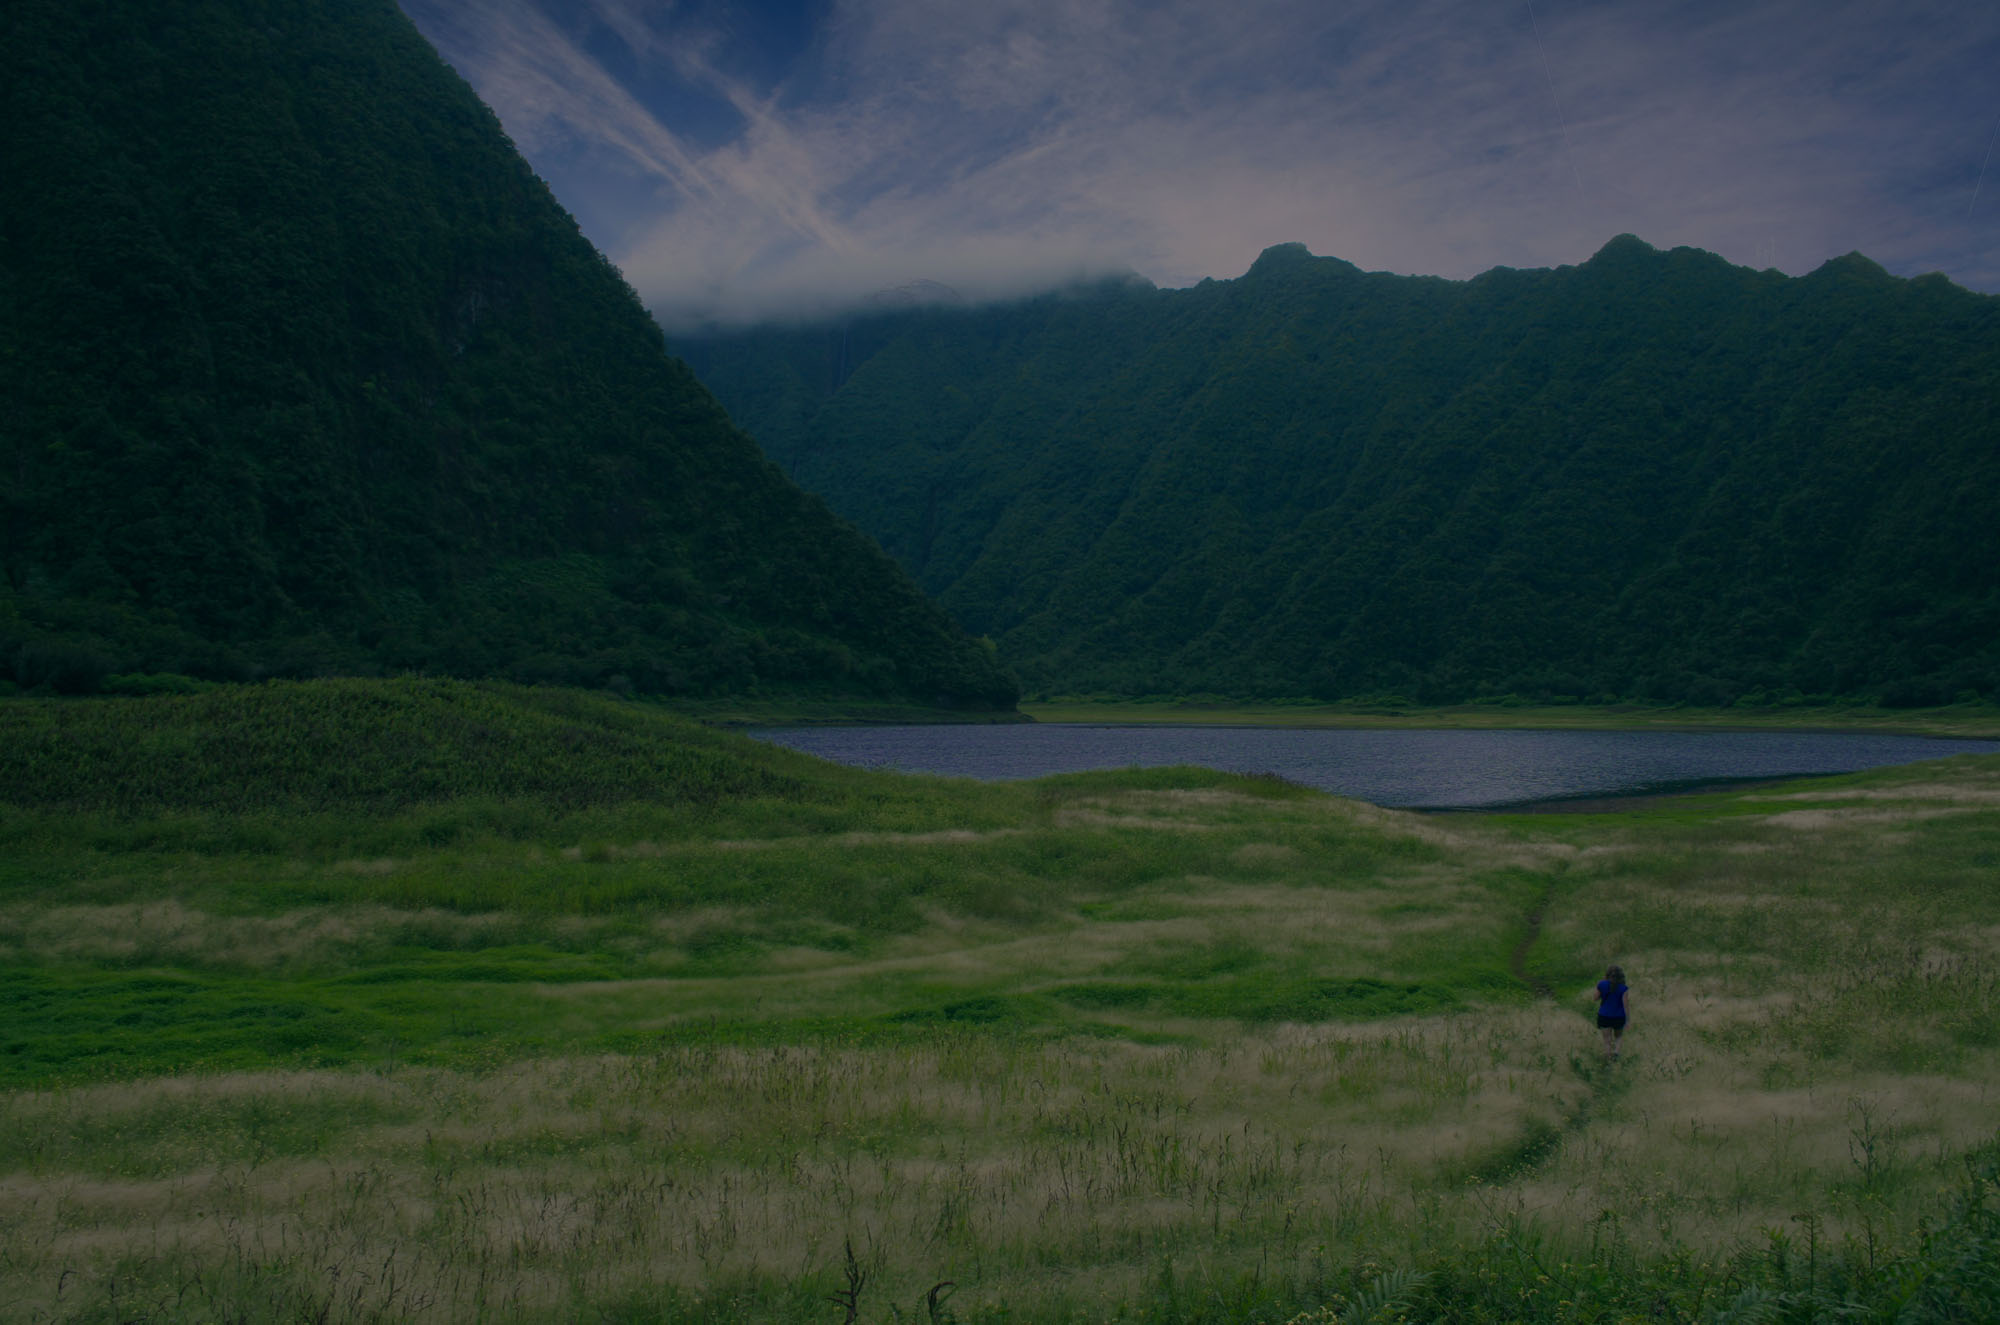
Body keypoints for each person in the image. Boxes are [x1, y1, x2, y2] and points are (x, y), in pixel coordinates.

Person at [1595, 965, 1629, 1061]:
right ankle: (1616, 1052)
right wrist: (1627, 1020)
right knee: (1618, 1037)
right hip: (1619, 1016)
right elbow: (1625, 1005)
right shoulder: (1624, 988)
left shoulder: (1601, 984)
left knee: (1607, 1040)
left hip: (1604, 1015)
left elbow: (1595, 998)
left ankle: (1608, 1059)